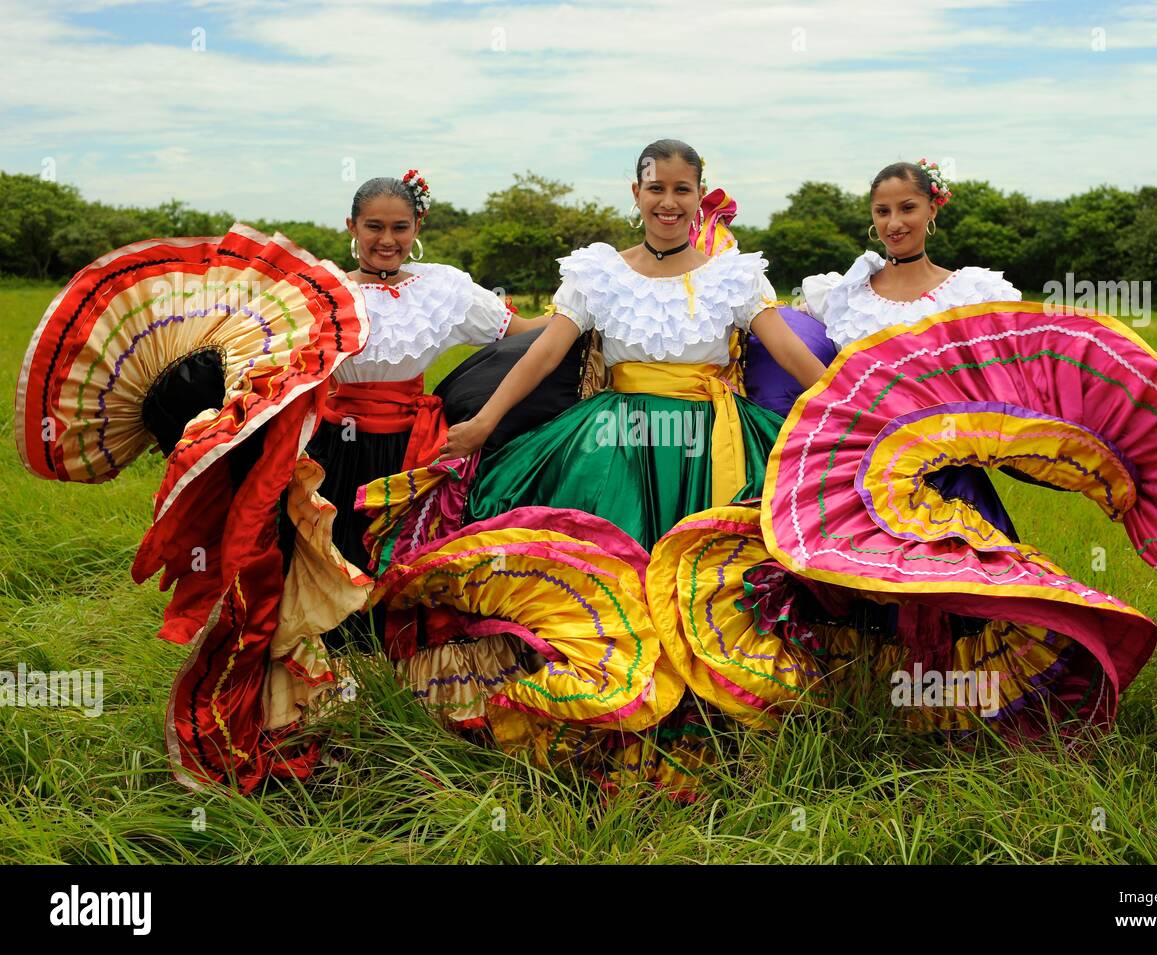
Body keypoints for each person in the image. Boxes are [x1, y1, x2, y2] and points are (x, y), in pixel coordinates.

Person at [366, 139, 830, 793]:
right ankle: (608, 717)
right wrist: (485, 421)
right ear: (636, 194)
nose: (668, 201)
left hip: (712, 447)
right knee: (620, 579)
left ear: (699, 196)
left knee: (708, 583)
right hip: (614, 443)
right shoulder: (598, 273)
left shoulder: (735, 275)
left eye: (681, 189)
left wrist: (852, 406)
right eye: (656, 188)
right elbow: (542, 354)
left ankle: (717, 726)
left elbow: (786, 346)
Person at [759, 159, 1157, 737]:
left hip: (952, 476)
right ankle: (875, 706)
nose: (896, 222)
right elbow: (817, 370)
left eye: (907, 208)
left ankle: (956, 719)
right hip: (862, 477)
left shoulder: (974, 291)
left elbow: (1025, 370)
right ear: (872, 220)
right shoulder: (842, 294)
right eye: (883, 211)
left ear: (934, 208)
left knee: (958, 592)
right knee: (868, 591)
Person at [14, 224, 372, 792]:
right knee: (256, 621)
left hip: (248, 513)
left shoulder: (199, 405)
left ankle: (281, 724)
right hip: (247, 518)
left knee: (263, 620)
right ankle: (255, 734)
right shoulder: (214, 388)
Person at [305, 170, 577, 651]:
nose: (386, 240)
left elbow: (528, 333)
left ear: (418, 226)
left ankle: (398, 660)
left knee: (401, 562)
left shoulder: (441, 289)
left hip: (412, 446)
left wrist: (584, 308)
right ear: (351, 226)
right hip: (336, 445)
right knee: (333, 554)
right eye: (373, 227)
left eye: (399, 227)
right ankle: (335, 662)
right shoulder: (321, 293)